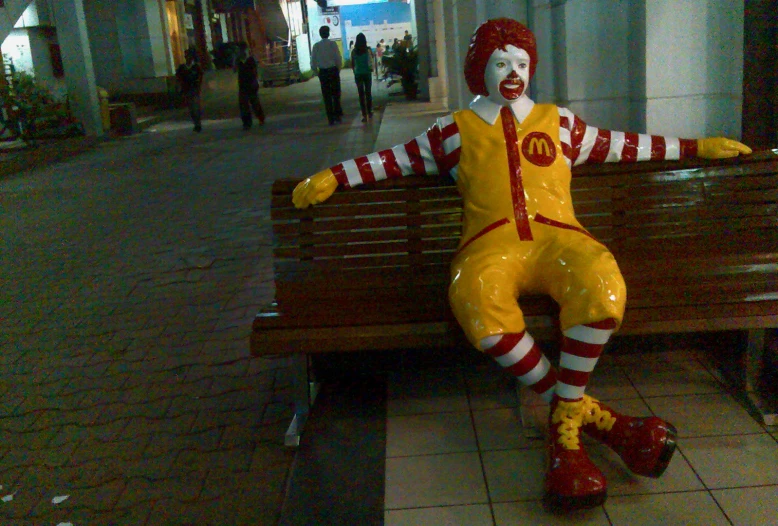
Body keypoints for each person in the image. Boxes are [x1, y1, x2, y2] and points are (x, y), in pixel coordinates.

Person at [291, 18, 751, 512]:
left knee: (601, 279)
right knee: (475, 297)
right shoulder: (453, 131)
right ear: (479, 70)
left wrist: (698, 147)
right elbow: (392, 160)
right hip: (491, 246)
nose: (513, 73)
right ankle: (592, 422)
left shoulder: (561, 124)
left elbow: (627, 145)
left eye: (521, 63)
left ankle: (568, 429)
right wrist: (335, 175)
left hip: (560, 239)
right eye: (500, 63)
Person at [310, 26, 343, 125]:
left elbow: (313, 62)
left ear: (320, 34)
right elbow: (338, 58)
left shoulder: (316, 46)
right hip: (333, 71)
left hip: (323, 73)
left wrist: (317, 73)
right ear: (328, 34)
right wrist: (338, 69)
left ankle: (330, 118)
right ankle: (337, 116)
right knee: (336, 94)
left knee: (326, 96)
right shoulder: (333, 44)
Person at [234, 41, 265, 130]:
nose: (239, 51)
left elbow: (255, 72)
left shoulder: (250, 59)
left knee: (254, 102)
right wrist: (235, 59)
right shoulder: (239, 60)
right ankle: (247, 123)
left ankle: (260, 118)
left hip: (251, 84)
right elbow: (234, 69)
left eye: (239, 49)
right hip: (242, 85)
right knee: (243, 104)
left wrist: (256, 81)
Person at [176, 49, 203, 132]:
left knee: (195, 107)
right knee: (191, 108)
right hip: (186, 90)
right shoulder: (182, 68)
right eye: (186, 56)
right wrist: (179, 88)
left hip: (194, 90)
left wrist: (198, 87)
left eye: (189, 56)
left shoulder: (196, 67)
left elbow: (200, 77)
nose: (188, 58)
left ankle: (198, 124)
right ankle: (195, 123)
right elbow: (178, 78)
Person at [350, 33, 374, 122]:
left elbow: (352, 64)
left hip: (358, 74)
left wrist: (355, 72)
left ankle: (364, 115)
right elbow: (372, 59)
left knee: (361, 95)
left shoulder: (354, 51)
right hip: (367, 74)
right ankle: (370, 111)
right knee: (368, 93)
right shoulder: (368, 50)